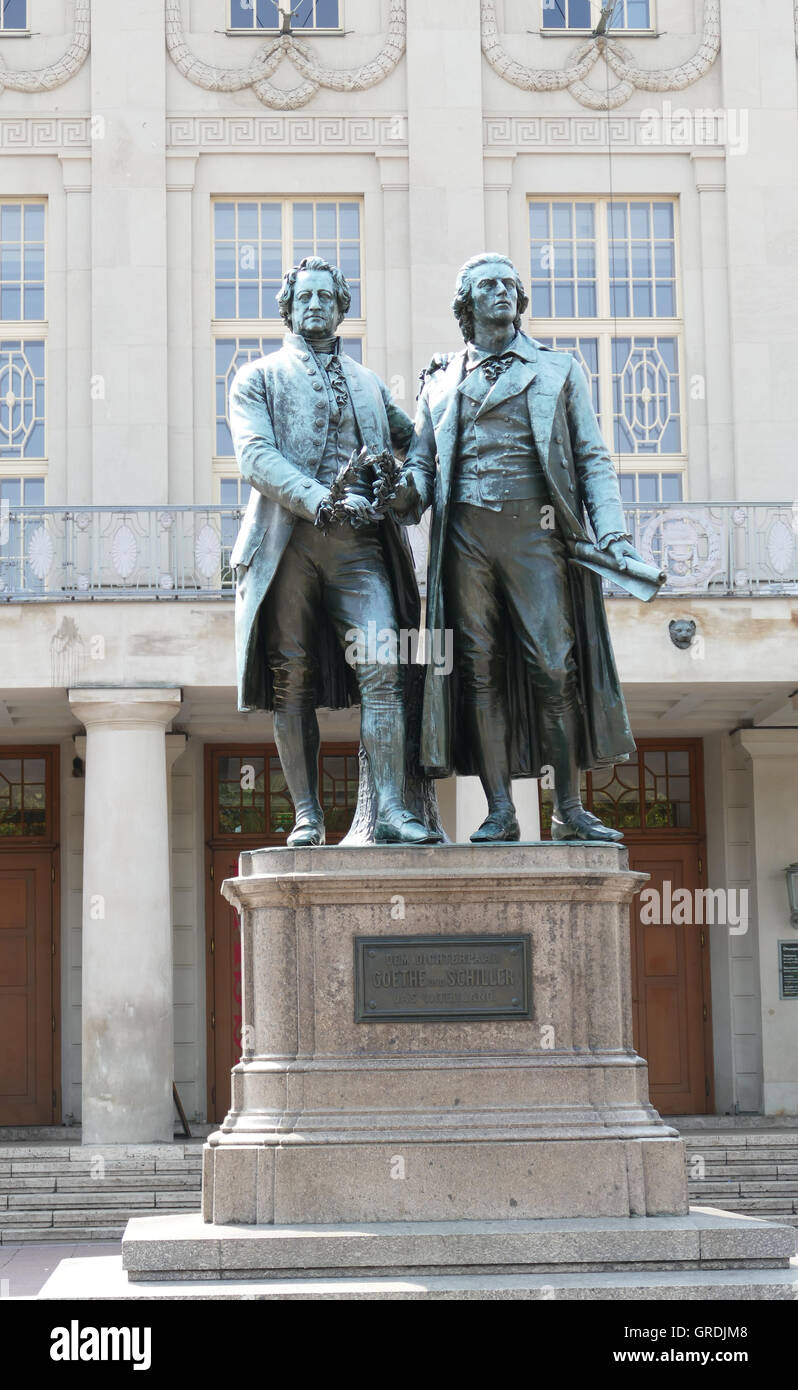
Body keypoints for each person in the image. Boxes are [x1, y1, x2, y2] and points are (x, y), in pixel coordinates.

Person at [389, 251, 647, 843]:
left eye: (509, 284)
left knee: (554, 667)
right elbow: (423, 471)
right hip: (465, 542)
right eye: (487, 286)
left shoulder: (559, 370)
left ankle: (569, 808)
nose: (502, 292)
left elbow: (593, 460)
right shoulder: (440, 379)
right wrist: (400, 491)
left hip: (537, 534)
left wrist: (612, 534)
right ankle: (500, 808)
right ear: (466, 305)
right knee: (478, 672)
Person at [228, 255, 440, 846]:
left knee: (384, 670)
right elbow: (255, 456)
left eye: (327, 295)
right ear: (289, 308)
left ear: (342, 307)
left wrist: (409, 487)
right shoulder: (257, 378)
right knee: (291, 679)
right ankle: (307, 815)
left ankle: (393, 811)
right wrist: (319, 497)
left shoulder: (370, 384)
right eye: (306, 296)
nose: (316, 304)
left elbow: (421, 446)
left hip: (359, 550)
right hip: (287, 545)